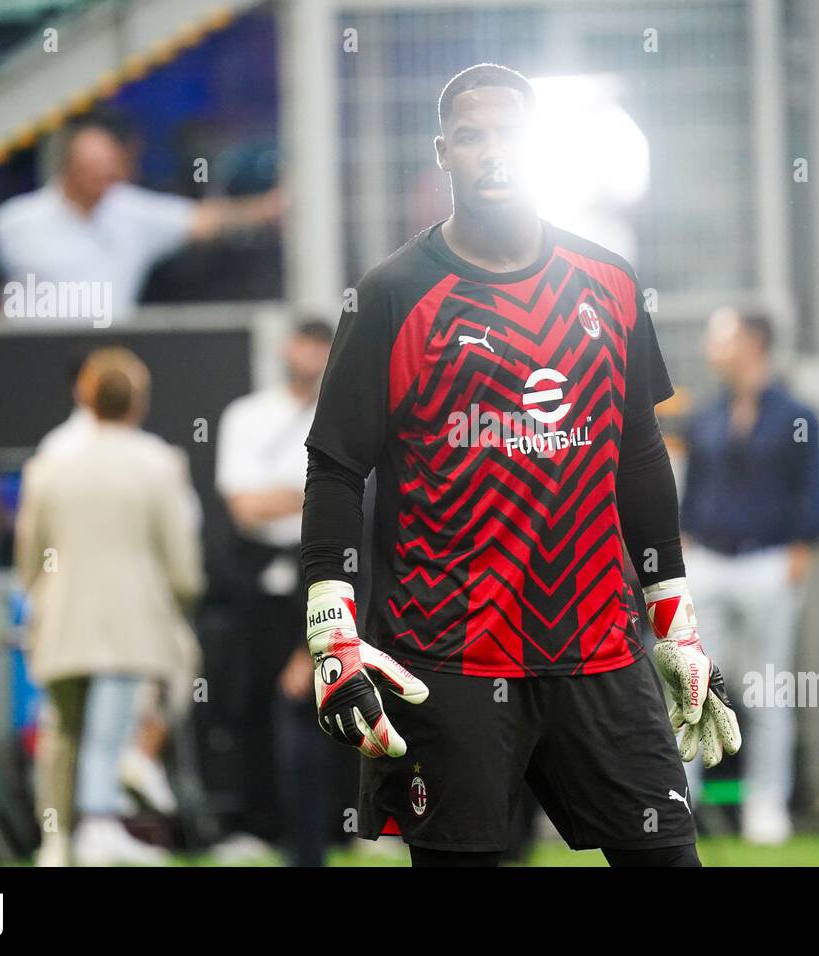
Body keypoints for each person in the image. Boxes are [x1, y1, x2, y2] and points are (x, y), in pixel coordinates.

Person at [299, 63, 740, 868]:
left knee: (669, 859)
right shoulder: (393, 295)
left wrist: (674, 618)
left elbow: (638, 454)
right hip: (449, 653)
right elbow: (333, 465)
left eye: (509, 136)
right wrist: (333, 633)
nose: (492, 154)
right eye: (472, 137)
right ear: (444, 153)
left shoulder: (609, 281)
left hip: (600, 646)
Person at [16, 347, 203, 866]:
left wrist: (40, 601)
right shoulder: (160, 464)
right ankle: (99, 824)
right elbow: (182, 564)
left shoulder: (49, 462)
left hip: (62, 621)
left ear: (85, 397)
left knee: (64, 730)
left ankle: (57, 841)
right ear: (139, 402)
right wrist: (179, 603)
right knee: (110, 728)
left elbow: (28, 556)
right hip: (130, 624)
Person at [679, 307, 819, 845]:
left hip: (768, 562)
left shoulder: (798, 416)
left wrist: (798, 555)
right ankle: (684, 801)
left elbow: (812, 493)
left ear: (753, 342)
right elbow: (693, 494)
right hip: (710, 564)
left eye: (722, 337)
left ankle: (766, 804)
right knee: (693, 686)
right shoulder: (708, 417)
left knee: (768, 690)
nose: (711, 348)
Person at [215, 318, 333, 864]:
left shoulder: (341, 416)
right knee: (263, 697)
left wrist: (288, 498)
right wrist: (303, 498)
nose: (309, 357)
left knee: (329, 698)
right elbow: (243, 506)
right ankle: (262, 823)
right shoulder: (248, 415)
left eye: (321, 348)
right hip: (261, 580)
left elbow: (346, 499)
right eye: (303, 345)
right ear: (288, 349)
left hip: (330, 569)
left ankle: (333, 828)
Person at [0, 110, 284, 321]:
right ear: (70, 169)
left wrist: (267, 208)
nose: (105, 179)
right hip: (30, 358)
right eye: (93, 171)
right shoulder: (13, 223)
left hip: (110, 355)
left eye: (109, 169)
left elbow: (202, 220)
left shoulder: (129, 211)